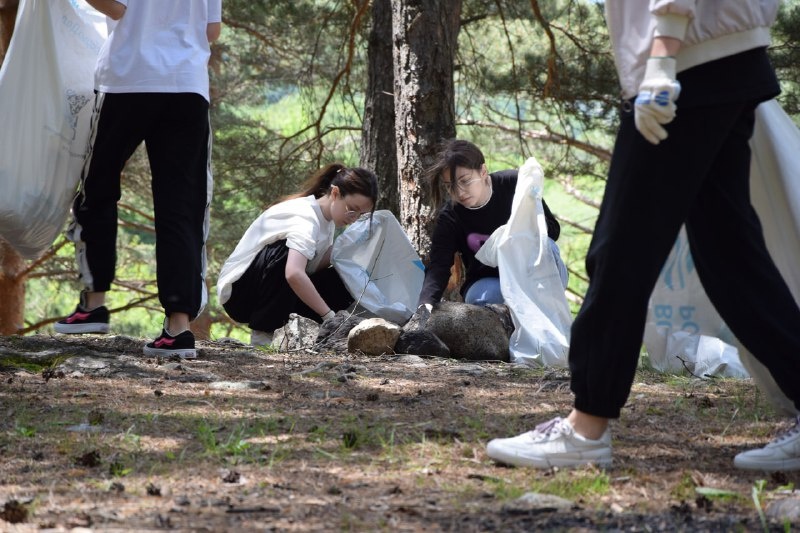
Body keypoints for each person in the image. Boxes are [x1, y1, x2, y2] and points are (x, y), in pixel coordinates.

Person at [486, 0, 800, 471]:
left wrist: (662, 55)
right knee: (732, 260)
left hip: (683, 63)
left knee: (622, 250)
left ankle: (586, 425)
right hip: (718, 57)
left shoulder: (673, 55)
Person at [53, 0, 222, 360]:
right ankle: (178, 329)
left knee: (95, 188)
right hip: (187, 86)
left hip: (127, 81)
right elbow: (212, 30)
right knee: (182, 207)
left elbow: (114, 7)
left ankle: (94, 304)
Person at [217, 164, 378, 346]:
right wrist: (329, 316)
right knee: (285, 254)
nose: (354, 217)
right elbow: (293, 273)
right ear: (334, 194)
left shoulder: (328, 221)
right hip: (241, 294)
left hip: (273, 292)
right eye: (351, 209)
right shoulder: (306, 218)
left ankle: (304, 337)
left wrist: (347, 249)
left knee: (341, 275)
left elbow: (313, 268)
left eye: (361, 214)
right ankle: (263, 335)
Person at [418, 139, 567, 309]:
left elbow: (553, 230)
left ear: (483, 171)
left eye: (465, 181)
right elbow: (439, 266)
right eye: (450, 186)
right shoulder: (451, 216)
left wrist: (518, 231)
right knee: (482, 300)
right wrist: (425, 307)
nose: (459, 192)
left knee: (549, 247)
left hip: (532, 273)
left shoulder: (514, 184)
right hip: (490, 281)